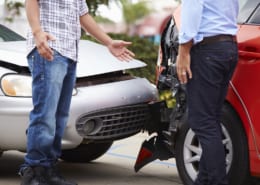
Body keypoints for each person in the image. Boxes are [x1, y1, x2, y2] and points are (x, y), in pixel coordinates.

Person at [19, 0, 135, 185]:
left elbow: (83, 15)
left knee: (59, 118)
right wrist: (37, 32)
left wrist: (109, 42)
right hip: (48, 48)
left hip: (69, 53)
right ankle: (35, 172)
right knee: (45, 116)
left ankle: (49, 171)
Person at [176, 0, 239, 185]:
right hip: (228, 47)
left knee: (203, 122)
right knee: (211, 119)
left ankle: (217, 181)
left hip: (208, 51)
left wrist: (183, 51)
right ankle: (203, 180)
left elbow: (192, 9)